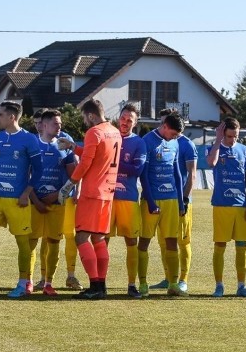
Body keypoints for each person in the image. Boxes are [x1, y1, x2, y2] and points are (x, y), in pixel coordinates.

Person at [0, 101, 43, 298]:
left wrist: (26, 193)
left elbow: (38, 171)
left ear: (12, 117)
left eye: (1, 115)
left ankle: (22, 283)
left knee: (23, 242)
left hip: (17, 200)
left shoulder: (29, 140)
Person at [57, 99, 121, 299]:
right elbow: (98, 155)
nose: (84, 122)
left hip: (92, 192)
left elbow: (85, 164)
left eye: (85, 117)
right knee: (99, 238)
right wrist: (74, 147)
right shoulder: (114, 131)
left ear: (91, 115)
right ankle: (101, 285)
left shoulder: (94, 132)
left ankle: (94, 286)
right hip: (107, 194)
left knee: (81, 237)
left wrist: (69, 184)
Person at [206, 117, 246, 298]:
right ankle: (219, 285)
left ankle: (241, 286)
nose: (233, 139)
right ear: (222, 133)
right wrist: (219, 140)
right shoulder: (214, 148)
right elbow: (211, 163)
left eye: (235, 136)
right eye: (229, 136)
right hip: (221, 205)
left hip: (241, 206)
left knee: (242, 246)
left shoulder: (244, 150)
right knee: (220, 245)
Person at [137, 112, 187, 297]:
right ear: (164, 126)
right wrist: (150, 201)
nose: (175, 137)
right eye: (173, 133)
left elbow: (177, 173)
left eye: (177, 135)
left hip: (172, 200)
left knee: (172, 242)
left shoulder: (175, 143)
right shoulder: (147, 141)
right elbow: (143, 174)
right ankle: (142, 284)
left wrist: (180, 202)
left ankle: (173, 284)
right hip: (152, 200)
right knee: (144, 242)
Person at [28, 109, 76, 296]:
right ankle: (28, 282)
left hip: (57, 203)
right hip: (34, 203)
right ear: (45, 125)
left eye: (60, 123)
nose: (60, 127)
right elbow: (25, 175)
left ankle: (48, 283)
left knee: (54, 240)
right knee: (31, 241)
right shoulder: (32, 146)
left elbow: (74, 176)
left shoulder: (63, 147)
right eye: (56, 123)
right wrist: (35, 200)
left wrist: (57, 194)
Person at [107, 103, 147, 298]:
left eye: (129, 120)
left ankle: (132, 285)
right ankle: (99, 282)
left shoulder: (139, 143)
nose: (125, 122)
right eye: (123, 118)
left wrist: (112, 162)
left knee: (131, 241)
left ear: (135, 122)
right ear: (118, 118)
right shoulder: (108, 137)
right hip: (106, 198)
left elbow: (137, 170)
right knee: (101, 240)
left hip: (128, 199)